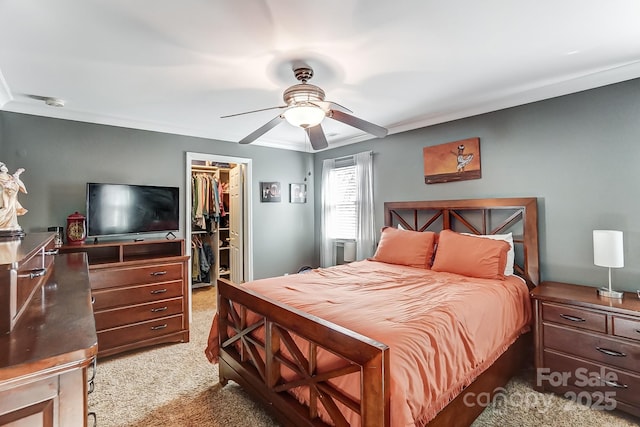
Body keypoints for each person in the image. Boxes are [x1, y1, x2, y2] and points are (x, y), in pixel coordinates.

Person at [0, 162, 28, 231]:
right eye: (2, 166)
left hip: (12, 200)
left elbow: (19, 185)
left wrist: (17, 179)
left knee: (10, 213)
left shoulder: (9, 177)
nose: (4, 167)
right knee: (4, 210)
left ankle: (10, 225)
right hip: (4, 200)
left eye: (3, 165)